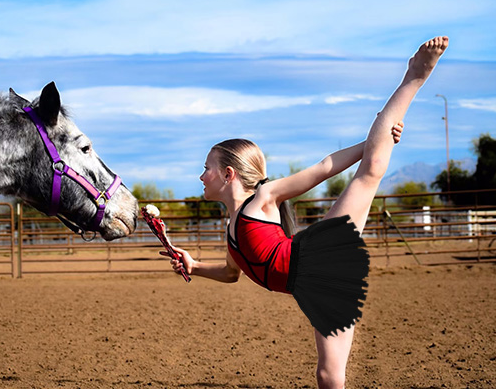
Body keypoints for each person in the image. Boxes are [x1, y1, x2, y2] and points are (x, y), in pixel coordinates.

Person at [163, 36, 449, 389]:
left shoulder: (263, 198)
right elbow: (230, 273)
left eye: (206, 167)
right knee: (329, 376)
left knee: (372, 166)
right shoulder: (231, 230)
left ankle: (414, 77)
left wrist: (373, 141)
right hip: (316, 287)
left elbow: (323, 169)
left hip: (319, 253)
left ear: (228, 174)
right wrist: (193, 266)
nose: (200, 176)